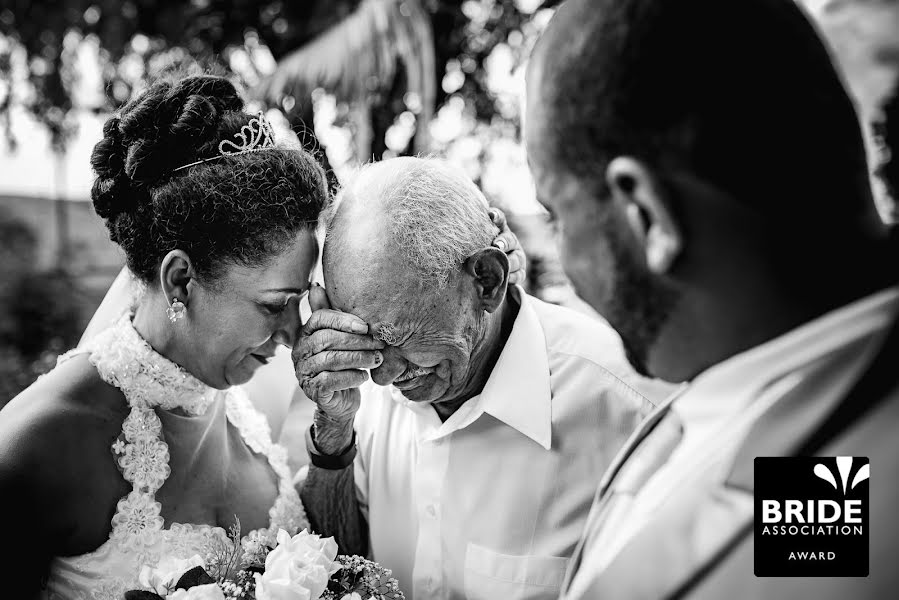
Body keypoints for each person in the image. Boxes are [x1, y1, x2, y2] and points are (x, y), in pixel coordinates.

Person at [0, 74, 525, 598]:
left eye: (299, 301)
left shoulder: (250, 394)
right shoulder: (38, 443)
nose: (291, 334)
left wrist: (337, 422)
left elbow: (339, 546)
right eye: (275, 305)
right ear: (180, 279)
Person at [523, 0, 899, 597]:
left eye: (557, 216)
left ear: (645, 213)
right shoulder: (721, 381)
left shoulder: (850, 491)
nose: (560, 257)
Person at [294, 156, 669, 600]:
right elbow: (336, 570)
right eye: (364, 339)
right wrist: (334, 430)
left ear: (487, 282)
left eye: (398, 337)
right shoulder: (361, 385)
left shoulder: (634, 408)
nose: (383, 376)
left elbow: (766, 569)